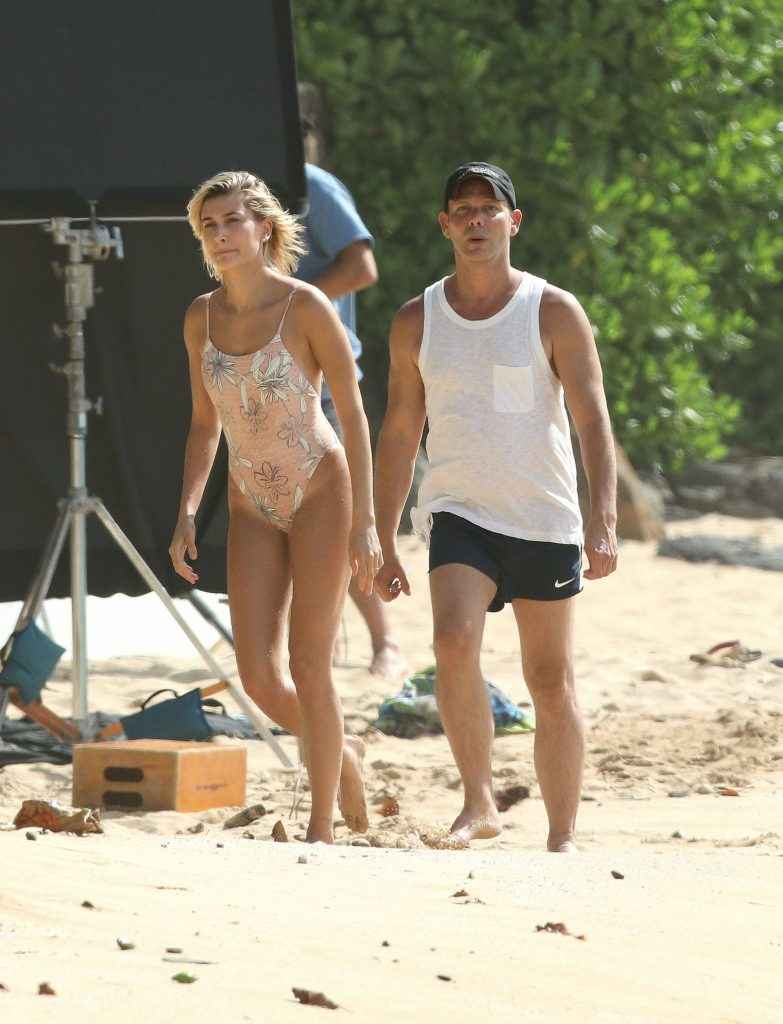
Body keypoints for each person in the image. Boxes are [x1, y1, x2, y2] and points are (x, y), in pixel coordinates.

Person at [373, 162, 618, 851]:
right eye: (462, 210)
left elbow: (591, 419)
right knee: (452, 641)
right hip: (458, 511)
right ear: (445, 225)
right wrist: (382, 536)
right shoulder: (416, 319)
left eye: (488, 209)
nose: (475, 220)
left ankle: (561, 833)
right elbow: (400, 431)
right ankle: (478, 802)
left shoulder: (552, 310)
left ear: (513, 222)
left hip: (542, 514)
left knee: (548, 677)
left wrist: (602, 521)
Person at [169, 170, 382, 843]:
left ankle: (321, 825)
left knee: (308, 663)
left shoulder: (306, 305)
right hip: (250, 503)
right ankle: (342, 754)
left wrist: (367, 523)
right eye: (209, 225)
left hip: (320, 488)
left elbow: (353, 413)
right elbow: (204, 423)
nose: (221, 235)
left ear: (264, 226)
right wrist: (187, 511)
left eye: (233, 220)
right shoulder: (200, 316)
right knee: (258, 677)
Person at [295, 118, 408, 681]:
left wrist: (292, 306)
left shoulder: (312, 185)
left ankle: (386, 642)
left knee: (346, 520)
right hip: (263, 386)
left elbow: (363, 266)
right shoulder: (236, 199)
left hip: (324, 383)